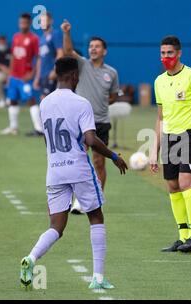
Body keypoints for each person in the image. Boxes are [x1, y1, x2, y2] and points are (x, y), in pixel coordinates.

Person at [19, 57, 128, 290]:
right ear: (75, 76)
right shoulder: (81, 103)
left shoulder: (45, 103)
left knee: (56, 226)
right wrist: (114, 156)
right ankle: (98, 278)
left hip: (55, 170)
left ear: (57, 75)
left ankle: (31, 258)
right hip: (78, 168)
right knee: (96, 217)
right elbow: (90, 139)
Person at [150, 36, 191, 253]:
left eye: (170, 53)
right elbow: (160, 118)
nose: (166, 57)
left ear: (179, 53)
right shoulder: (159, 81)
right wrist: (153, 150)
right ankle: (182, 236)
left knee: (186, 183)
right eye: (163, 53)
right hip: (170, 138)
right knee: (173, 186)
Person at [61, 19, 120, 214]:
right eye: (91, 46)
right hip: (80, 122)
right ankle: (79, 199)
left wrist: (102, 104)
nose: (93, 49)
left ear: (104, 51)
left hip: (101, 122)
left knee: (98, 161)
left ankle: (96, 199)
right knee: (78, 160)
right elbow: (68, 52)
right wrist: (67, 32)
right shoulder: (82, 65)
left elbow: (112, 95)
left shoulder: (111, 73)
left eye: (97, 47)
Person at [0, 13, 43, 136]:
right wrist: (9, 74)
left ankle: (39, 129)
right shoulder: (16, 37)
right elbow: (13, 56)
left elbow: (38, 58)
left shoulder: (34, 38)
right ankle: (13, 127)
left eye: (25, 22)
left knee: (31, 101)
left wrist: (33, 74)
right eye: (21, 22)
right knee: (12, 101)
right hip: (14, 76)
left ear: (29, 23)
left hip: (25, 77)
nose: (22, 25)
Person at [33, 12, 63, 101]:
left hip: (51, 74)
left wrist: (55, 70)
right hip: (43, 75)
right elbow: (39, 59)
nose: (43, 23)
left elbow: (60, 52)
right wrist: (37, 77)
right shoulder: (41, 38)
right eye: (41, 21)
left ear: (51, 21)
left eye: (45, 20)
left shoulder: (55, 34)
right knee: (44, 101)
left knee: (46, 99)